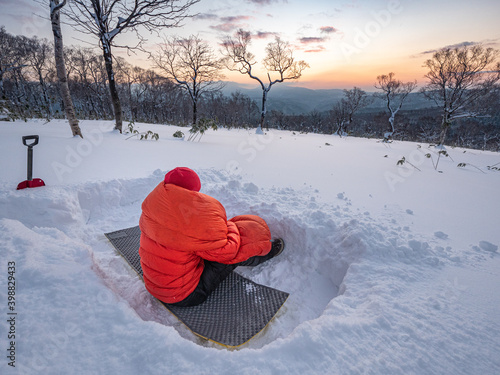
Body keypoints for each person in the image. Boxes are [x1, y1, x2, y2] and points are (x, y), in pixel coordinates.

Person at [139, 167, 284, 307]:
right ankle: (267, 253)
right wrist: (229, 227)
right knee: (229, 254)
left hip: (153, 286)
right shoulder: (192, 220)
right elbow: (228, 251)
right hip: (185, 296)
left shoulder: (152, 208)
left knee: (199, 248)